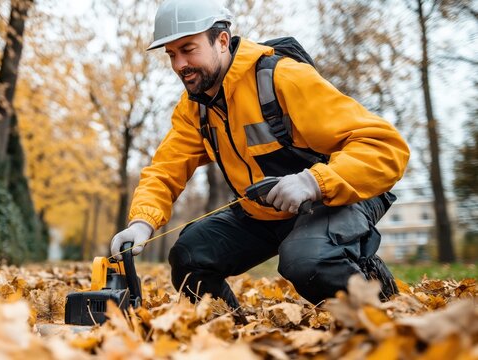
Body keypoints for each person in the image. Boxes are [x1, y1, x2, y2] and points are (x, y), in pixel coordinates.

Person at [110, 0, 410, 320]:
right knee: (189, 255)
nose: (179, 63)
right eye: (171, 54)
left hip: (337, 199)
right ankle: (231, 330)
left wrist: (313, 182)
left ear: (222, 41)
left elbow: (386, 147)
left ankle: (383, 315)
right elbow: (165, 169)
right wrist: (142, 223)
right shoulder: (195, 109)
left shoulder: (282, 78)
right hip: (265, 212)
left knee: (307, 261)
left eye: (188, 49)